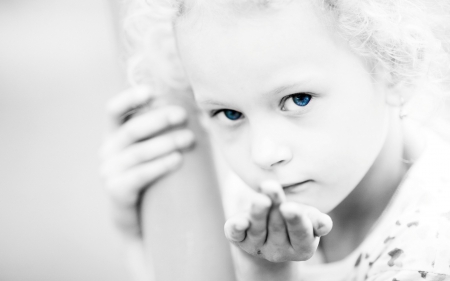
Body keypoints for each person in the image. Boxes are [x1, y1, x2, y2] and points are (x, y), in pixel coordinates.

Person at [100, 0, 450, 280]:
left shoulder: (431, 254)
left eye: (298, 99)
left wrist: (267, 274)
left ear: (391, 66)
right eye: (229, 114)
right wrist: (136, 232)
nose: (263, 154)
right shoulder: (253, 201)